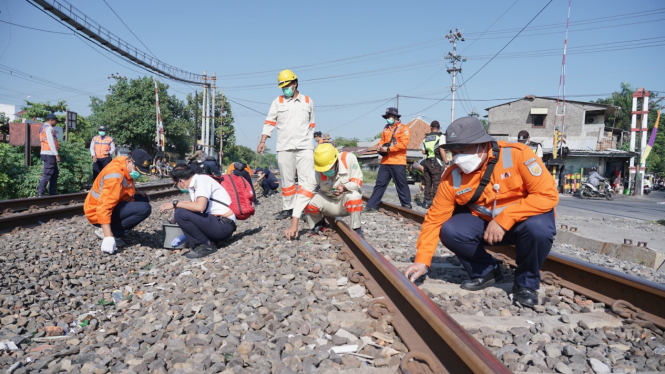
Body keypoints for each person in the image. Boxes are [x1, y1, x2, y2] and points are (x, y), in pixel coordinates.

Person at [403, 117, 558, 308]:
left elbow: (547, 195)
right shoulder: (452, 177)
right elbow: (434, 219)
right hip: (486, 226)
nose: (459, 157)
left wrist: (504, 219)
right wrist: (422, 261)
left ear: (483, 145)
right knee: (450, 230)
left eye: (464, 150)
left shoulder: (518, 155)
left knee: (540, 229)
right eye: (455, 152)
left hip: (525, 223)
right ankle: (487, 271)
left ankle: (526, 284)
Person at [257, 69, 316, 221]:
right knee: (288, 181)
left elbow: (312, 125)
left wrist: (309, 143)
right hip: (284, 146)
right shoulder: (278, 102)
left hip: (304, 147)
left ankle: (303, 208)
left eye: (287, 85)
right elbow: (270, 121)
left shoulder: (308, 101)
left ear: (295, 83)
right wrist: (263, 140)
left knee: (306, 181)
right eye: (282, 86)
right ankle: (288, 208)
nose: (285, 89)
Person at [84, 149, 154, 254]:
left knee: (143, 199)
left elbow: (125, 183)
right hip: (97, 213)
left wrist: (136, 191)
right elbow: (104, 206)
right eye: (137, 170)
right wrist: (108, 236)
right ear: (130, 162)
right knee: (145, 209)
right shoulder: (114, 177)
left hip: (108, 205)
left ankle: (111, 228)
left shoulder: (123, 162)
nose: (138, 174)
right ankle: (109, 231)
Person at [159, 165, 237, 259]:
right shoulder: (196, 183)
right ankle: (209, 241)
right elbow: (193, 206)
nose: (177, 187)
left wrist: (176, 204)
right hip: (220, 223)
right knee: (180, 210)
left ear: (181, 181)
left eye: (175, 185)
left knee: (180, 213)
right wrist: (173, 220)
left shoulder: (201, 181)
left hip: (223, 226)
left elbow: (200, 207)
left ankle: (204, 246)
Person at [296, 144, 364, 238]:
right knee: (308, 201)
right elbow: (303, 195)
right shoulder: (317, 171)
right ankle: (318, 224)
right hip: (328, 203)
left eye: (329, 168)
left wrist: (345, 187)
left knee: (355, 196)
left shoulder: (348, 159)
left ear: (336, 160)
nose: (326, 171)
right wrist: (294, 224)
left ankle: (356, 228)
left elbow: (357, 182)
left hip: (344, 203)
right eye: (324, 169)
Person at [364, 107, 412, 211]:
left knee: (401, 183)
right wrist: (379, 146)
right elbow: (382, 140)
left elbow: (403, 144)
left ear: (395, 117)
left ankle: (406, 205)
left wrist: (389, 149)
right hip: (385, 161)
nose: (387, 118)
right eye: (386, 117)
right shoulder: (386, 128)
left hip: (398, 161)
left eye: (389, 116)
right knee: (380, 183)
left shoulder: (404, 128)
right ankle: (371, 205)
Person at [420, 120, 449, 208]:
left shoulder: (426, 138)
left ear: (431, 128)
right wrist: (446, 162)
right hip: (436, 162)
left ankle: (426, 201)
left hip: (427, 161)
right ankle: (435, 203)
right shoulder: (441, 136)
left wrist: (430, 151)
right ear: (439, 128)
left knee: (428, 182)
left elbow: (423, 151)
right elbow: (441, 150)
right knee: (436, 183)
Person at [37, 114, 61, 196]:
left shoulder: (43, 128)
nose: (56, 123)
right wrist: (56, 154)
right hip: (49, 153)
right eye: (55, 121)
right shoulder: (49, 129)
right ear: (51, 120)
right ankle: (40, 193)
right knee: (47, 174)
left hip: (46, 153)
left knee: (54, 173)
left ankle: (52, 193)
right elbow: (51, 142)